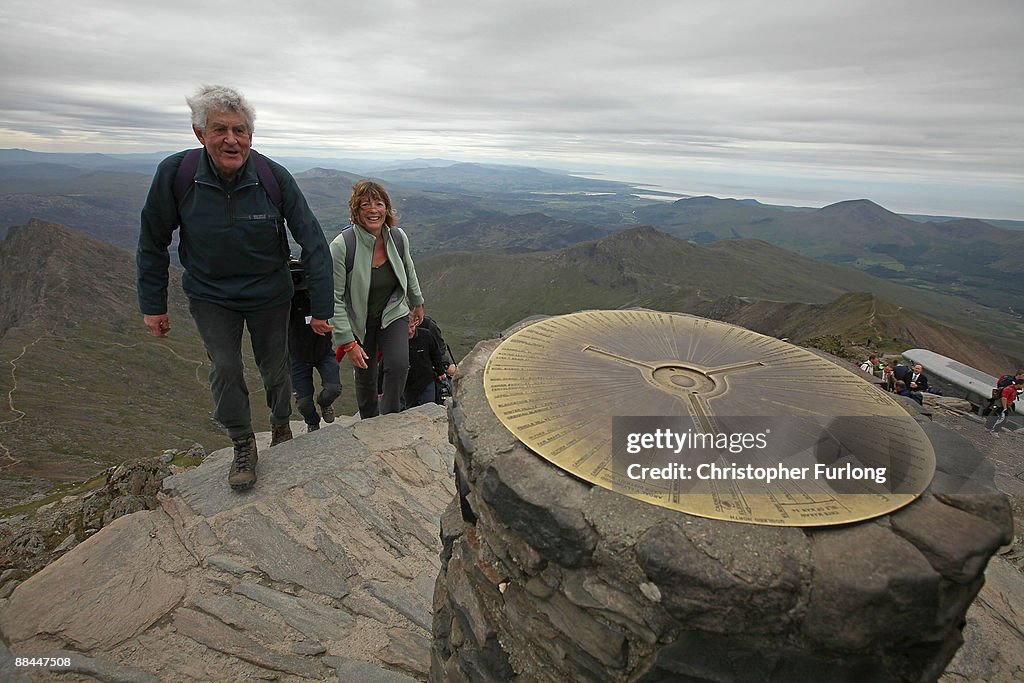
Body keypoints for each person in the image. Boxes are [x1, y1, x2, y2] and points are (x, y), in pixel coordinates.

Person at [137, 85, 333, 490]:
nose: (231, 139)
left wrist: (322, 307)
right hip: (211, 294)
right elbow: (152, 240)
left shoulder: (272, 177)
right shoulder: (177, 176)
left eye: (240, 130)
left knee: (275, 367)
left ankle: (281, 424)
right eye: (220, 129)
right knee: (225, 367)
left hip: (270, 292)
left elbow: (312, 241)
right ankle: (243, 442)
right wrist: (153, 304)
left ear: (250, 135)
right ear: (200, 134)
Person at [330, 180, 424, 418]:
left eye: (379, 204)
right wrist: (347, 342)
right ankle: (369, 421)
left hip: (393, 312)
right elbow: (335, 298)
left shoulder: (398, 238)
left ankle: (391, 416)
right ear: (356, 211)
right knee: (365, 375)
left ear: (387, 208)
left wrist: (417, 302)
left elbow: (408, 268)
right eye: (365, 205)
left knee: (398, 364)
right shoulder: (343, 246)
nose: (373, 210)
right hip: (360, 321)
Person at [288, 259, 341, 432]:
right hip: (297, 355)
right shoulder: (283, 302)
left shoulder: (319, 295)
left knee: (333, 389)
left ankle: (324, 403)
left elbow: (335, 304)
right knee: (303, 404)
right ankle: (312, 422)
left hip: (322, 351)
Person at [404, 319, 450, 410]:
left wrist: (441, 372)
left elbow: (435, 354)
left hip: (427, 381)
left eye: (412, 327)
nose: (409, 331)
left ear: (416, 323)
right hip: (407, 385)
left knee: (430, 409)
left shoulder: (426, 335)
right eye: (405, 329)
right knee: (409, 411)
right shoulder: (396, 340)